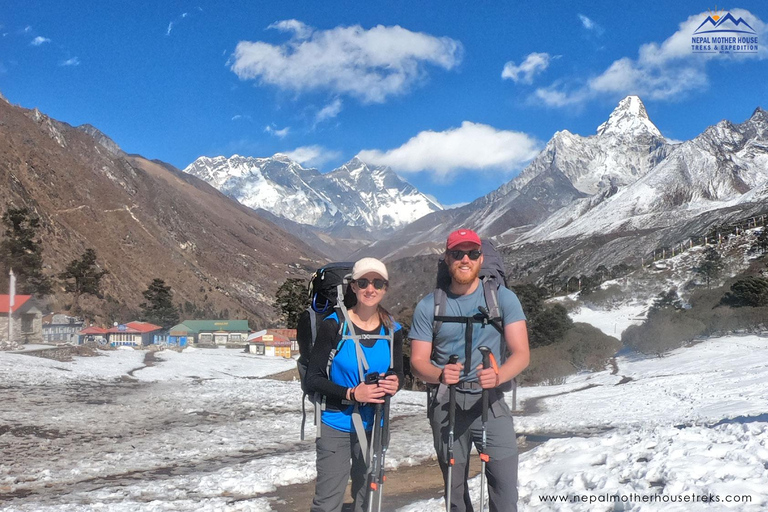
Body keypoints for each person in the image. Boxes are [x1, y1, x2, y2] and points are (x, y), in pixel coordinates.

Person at [409, 229, 530, 512]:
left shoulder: (503, 299)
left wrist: (499, 375)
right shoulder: (429, 306)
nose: (465, 259)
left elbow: (521, 353)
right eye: (457, 253)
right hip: (446, 404)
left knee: (504, 488)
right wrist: (439, 374)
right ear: (447, 258)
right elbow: (418, 361)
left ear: (481, 257)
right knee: (454, 490)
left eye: (472, 253)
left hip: (491, 403)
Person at [305, 257, 404, 512]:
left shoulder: (393, 329)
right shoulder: (334, 325)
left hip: (376, 423)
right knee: (328, 501)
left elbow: (399, 374)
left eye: (378, 283)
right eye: (364, 282)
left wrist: (395, 383)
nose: (371, 289)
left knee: (368, 496)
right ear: (353, 287)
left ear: (385, 288)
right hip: (335, 423)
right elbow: (313, 378)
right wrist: (352, 393)